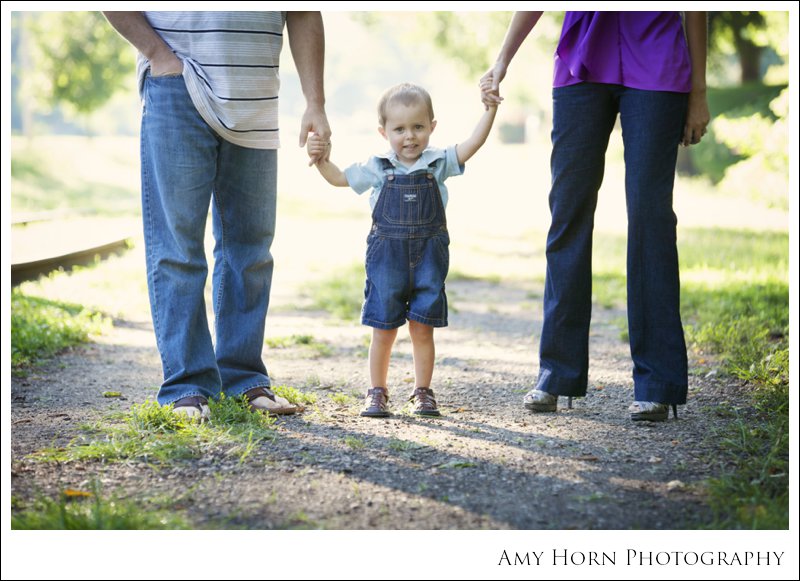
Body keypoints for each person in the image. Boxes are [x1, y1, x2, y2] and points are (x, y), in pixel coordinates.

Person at [481, 12, 710, 421]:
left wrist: (698, 93)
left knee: (650, 217)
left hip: (658, 62)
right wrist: (502, 61)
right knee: (567, 212)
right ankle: (556, 372)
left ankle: (658, 383)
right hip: (580, 66)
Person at [103, 11, 331, 419]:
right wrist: (159, 55)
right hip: (178, 84)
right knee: (177, 246)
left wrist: (316, 102)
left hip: (256, 99)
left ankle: (243, 379)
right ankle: (186, 385)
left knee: (251, 247)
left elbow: (302, 10)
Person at [306, 83, 498, 417]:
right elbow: (338, 178)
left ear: (432, 127)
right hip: (386, 260)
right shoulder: (378, 166)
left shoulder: (438, 162)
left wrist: (490, 110)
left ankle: (423, 392)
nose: (409, 136)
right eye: (399, 129)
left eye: (418, 127)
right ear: (384, 132)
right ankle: (377, 392)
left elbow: (472, 144)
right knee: (384, 328)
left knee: (422, 328)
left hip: (429, 258)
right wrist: (320, 157)